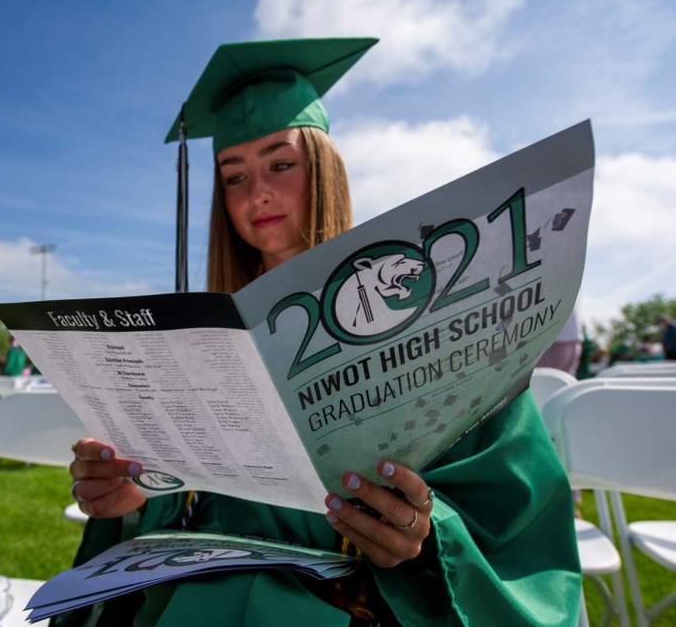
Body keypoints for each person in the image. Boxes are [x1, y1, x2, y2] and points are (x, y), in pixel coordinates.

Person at [61, 38, 581, 626]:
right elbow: (190, 500)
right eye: (233, 177)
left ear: (325, 167)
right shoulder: (199, 338)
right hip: (206, 594)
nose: (256, 193)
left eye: (281, 164)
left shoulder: (420, 299)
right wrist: (133, 495)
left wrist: (425, 532)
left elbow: (509, 488)